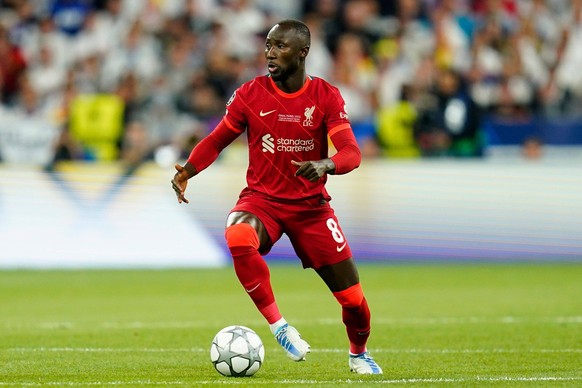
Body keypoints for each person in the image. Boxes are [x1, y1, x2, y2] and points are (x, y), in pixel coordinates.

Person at [171, 19, 382, 375]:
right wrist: (187, 170)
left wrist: (326, 164)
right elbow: (217, 139)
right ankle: (279, 327)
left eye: (280, 46)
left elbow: (351, 152)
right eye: (268, 45)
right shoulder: (249, 94)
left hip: (311, 210)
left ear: (303, 53)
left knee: (354, 302)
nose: (270, 53)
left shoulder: (325, 96)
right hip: (262, 201)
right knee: (237, 235)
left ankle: (358, 353)